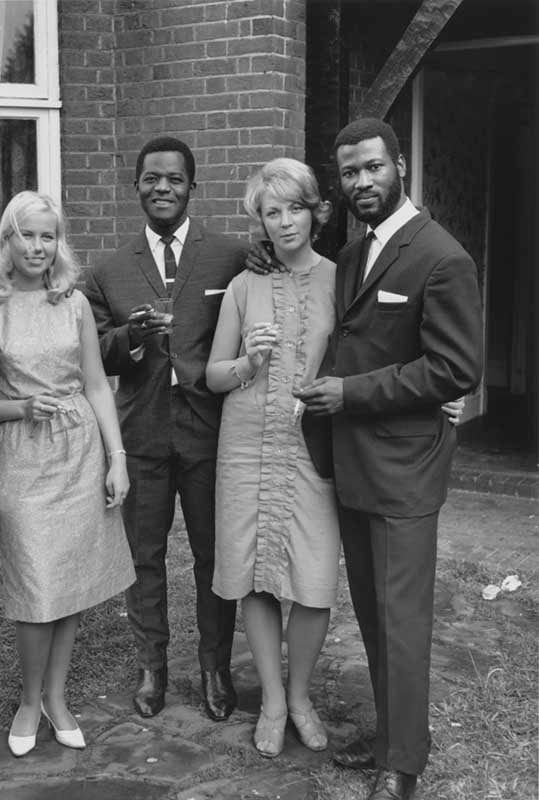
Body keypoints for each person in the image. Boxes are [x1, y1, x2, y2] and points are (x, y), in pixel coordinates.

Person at [296, 118, 482, 800]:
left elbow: (455, 368)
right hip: (352, 462)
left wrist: (349, 393)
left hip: (405, 470)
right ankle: (389, 738)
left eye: (372, 167)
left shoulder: (441, 256)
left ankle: (402, 765)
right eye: (349, 173)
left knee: (401, 622)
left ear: (399, 165)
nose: (362, 182)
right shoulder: (352, 253)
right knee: (374, 615)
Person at [0, 191, 135, 758]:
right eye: (27, 235)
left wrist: (117, 456)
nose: (38, 247)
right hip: (23, 455)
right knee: (36, 582)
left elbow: (96, 384)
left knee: (71, 578)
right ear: (6, 240)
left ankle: (57, 698)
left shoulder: (73, 302)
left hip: (79, 450)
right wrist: (17, 408)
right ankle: (29, 701)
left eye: (48, 236)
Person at [83, 137, 248, 722]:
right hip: (144, 433)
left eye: (174, 179)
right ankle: (152, 665)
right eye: (151, 178)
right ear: (136, 187)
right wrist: (130, 337)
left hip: (210, 432)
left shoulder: (230, 256)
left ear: (192, 188)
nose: (162, 188)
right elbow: (93, 352)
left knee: (213, 555)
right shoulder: (108, 270)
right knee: (145, 555)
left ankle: (214, 666)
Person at [206, 158, 340, 758]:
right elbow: (213, 375)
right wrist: (248, 362)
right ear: (259, 220)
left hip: (314, 447)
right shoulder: (244, 285)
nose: (284, 222)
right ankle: (274, 701)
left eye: (294, 209)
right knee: (255, 575)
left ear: (315, 212)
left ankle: (302, 695)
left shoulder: (342, 278)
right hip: (246, 444)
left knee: (314, 582)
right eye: (271, 212)